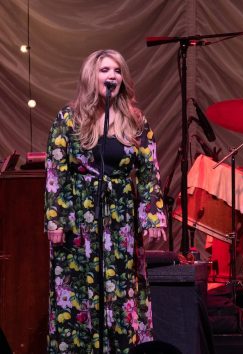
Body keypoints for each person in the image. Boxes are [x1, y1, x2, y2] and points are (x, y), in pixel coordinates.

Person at [44, 49, 167, 352]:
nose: (111, 76)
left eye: (117, 70)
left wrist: (152, 217)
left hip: (120, 220)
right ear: (91, 76)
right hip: (77, 221)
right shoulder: (68, 118)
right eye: (104, 70)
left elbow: (150, 172)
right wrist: (54, 218)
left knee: (120, 290)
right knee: (78, 289)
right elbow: (55, 172)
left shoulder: (135, 121)